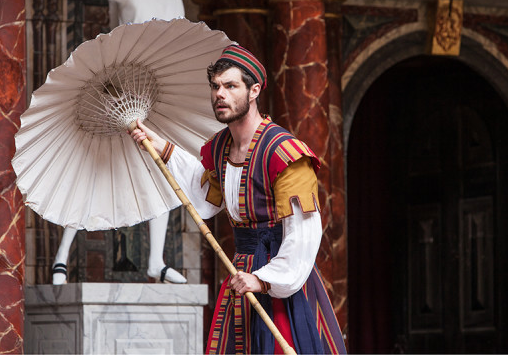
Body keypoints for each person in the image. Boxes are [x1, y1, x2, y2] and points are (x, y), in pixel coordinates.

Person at [130, 44, 346, 354]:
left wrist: (265, 279)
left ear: (254, 89)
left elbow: (304, 233)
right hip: (240, 274)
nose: (220, 94)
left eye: (231, 86)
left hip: (280, 281)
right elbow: (206, 198)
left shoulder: (284, 153)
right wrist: (161, 146)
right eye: (216, 86)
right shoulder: (220, 147)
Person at [51, 0, 186, 285]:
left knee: (163, 170)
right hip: (122, 87)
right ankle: (61, 256)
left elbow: (180, 40)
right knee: (96, 168)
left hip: (155, 89)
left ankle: (156, 260)